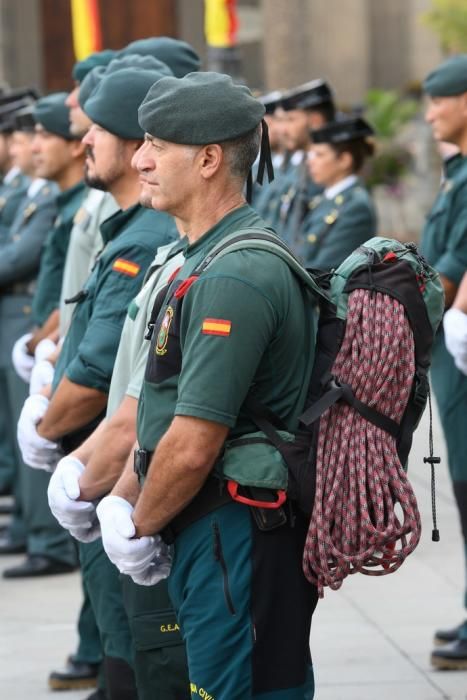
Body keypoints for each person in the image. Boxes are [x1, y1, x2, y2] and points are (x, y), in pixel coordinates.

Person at [98, 71, 319, 699]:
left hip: (235, 533)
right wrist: (129, 501)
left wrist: (138, 526)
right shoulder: (201, 258)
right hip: (213, 531)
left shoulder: (235, 274)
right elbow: (163, 411)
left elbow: (194, 440)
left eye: (156, 146)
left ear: (209, 160)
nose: (138, 160)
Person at [18, 64, 178, 699]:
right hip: (102, 462)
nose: (81, 138)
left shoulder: (146, 238)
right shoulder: (125, 228)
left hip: (120, 468)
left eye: (98, 129)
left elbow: (116, 374)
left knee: (140, 654)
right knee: (124, 648)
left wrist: (51, 429)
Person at [5, 92, 86, 578]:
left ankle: (48, 539)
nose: (32, 147)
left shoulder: (81, 206)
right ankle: (37, 530)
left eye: (43, 135)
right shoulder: (63, 200)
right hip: (42, 332)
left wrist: (46, 340)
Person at [421, 54, 467, 670]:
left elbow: (449, 271)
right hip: (449, 360)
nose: (429, 111)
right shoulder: (455, 175)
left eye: (440, 99)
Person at [0, 104, 59, 556]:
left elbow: (22, 255)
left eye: (31, 137)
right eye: (23, 138)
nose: (26, 148)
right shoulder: (30, 190)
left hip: (27, 311)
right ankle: (28, 526)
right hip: (18, 311)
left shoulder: (48, 193)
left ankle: (48, 539)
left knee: (34, 425)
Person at [260, 80, 335, 245]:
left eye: (291, 120)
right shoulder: (300, 166)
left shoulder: (327, 169)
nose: (283, 130)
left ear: (315, 120)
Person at [298, 116, 377, 270]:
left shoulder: (355, 206)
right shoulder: (325, 198)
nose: (310, 161)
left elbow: (326, 271)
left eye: (319, 155)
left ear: (344, 161)